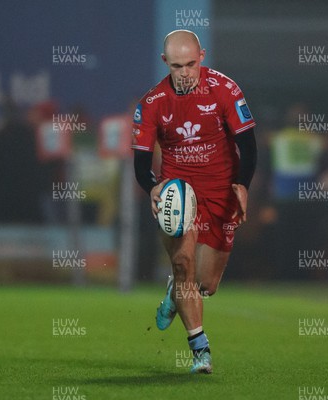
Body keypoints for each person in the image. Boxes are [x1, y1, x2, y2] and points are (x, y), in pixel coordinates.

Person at [132, 30, 257, 374]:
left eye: (191, 64)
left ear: (202, 55)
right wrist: (153, 188)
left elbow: (249, 146)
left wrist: (242, 186)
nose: (185, 72)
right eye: (177, 66)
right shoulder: (152, 103)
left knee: (205, 284)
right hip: (179, 190)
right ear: (165, 63)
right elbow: (141, 162)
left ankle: (175, 291)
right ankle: (200, 350)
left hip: (220, 189)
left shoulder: (225, 90)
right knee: (184, 263)